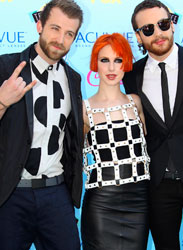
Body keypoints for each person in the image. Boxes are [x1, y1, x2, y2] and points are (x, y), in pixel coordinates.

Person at [0, 0, 83, 249]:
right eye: (55, 28)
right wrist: (2, 102)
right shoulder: (6, 67)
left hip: (56, 194)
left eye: (69, 33)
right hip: (10, 196)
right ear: (39, 25)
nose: (61, 39)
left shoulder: (73, 79)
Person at [123, 0, 183, 249]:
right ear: (138, 35)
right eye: (148, 29)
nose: (157, 33)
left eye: (163, 24)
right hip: (157, 186)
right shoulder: (130, 75)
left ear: (173, 25)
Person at [81, 33, 150, 250]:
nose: (111, 68)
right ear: (95, 63)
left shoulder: (135, 102)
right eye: (105, 60)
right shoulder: (84, 108)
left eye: (118, 60)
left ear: (125, 63)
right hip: (101, 202)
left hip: (138, 200)